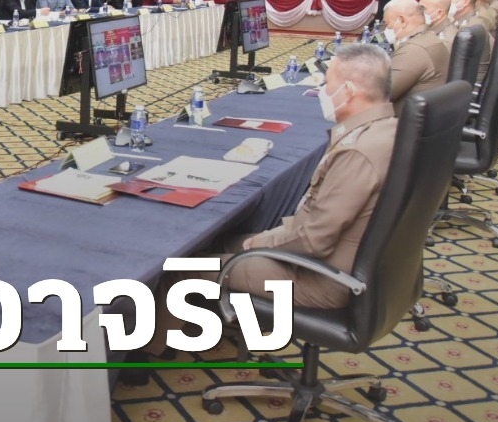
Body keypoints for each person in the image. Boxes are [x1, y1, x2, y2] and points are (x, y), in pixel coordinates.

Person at [129, 44, 398, 364]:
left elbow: (313, 240)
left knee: (182, 267)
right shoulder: (390, 130)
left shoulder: (357, 152)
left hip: (324, 278)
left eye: (328, 84)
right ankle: (203, 316)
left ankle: (145, 356)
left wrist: (257, 243)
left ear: (349, 91)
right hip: (351, 265)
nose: (324, 92)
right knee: (224, 241)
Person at [382, 0, 448, 114]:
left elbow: (382, 94)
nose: (386, 29)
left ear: (402, 21)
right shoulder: (429, 37)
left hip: (400, 120)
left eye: (387, 24)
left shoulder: (413, 50)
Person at [448, 0, 492, 80]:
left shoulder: (471, 26)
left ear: (465, 2)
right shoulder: (464, 20)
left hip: (469, 78)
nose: (446, 1)